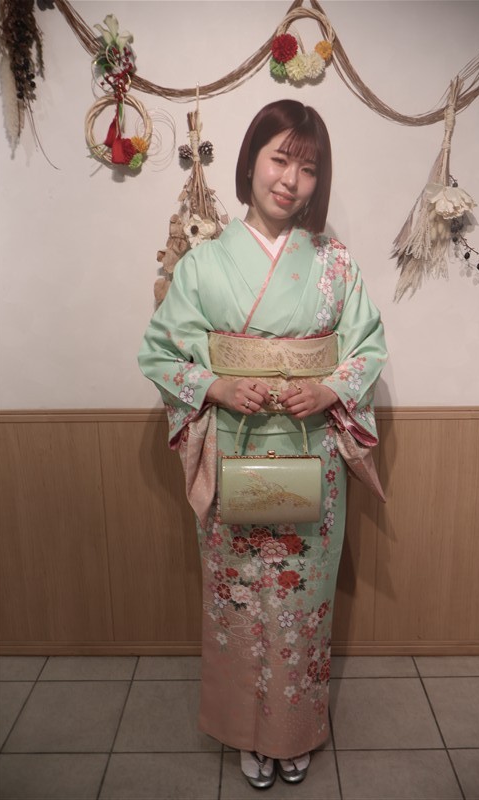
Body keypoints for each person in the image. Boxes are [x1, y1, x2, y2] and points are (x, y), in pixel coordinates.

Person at [138, 99, 387, 789]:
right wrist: (215, 386)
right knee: (240, 602)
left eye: (308, 168)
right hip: (234, 450)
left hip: (311, 453)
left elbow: (367, 345)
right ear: (250, 161)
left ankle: (293, 730)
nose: (291, 180)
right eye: (279, 159)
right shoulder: (203, 264)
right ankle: (247, 731)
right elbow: (159, 351)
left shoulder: (334, 263)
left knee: (303, 601)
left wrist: (331, 390)